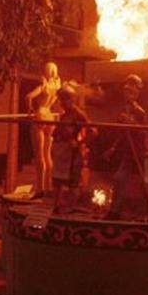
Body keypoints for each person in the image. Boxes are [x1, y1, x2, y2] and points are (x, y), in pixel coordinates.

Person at [104, 74, 148, 220]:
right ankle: (114, 211)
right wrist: (113, 147)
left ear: (137, 93)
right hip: (130, 151)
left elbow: (144, 131)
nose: (128, 95)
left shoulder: (139, 111)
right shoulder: (124, 110)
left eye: (131, 92)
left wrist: (131, 121)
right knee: (119, 179)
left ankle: (147, 212)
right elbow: (122, 133)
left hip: (143, 151)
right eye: (126, 91)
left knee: (145, 182)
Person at [51, 83, 94, 213]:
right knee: (57, 181)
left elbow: (93, 131)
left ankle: (70, 209)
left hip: (72, 155)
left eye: (64, 100)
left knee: (72, 182)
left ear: (71, 99)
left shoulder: (78, 114)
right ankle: (57, 207)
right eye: (61, 100)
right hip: (60, 153)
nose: (62, 103)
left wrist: (79, 143)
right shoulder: (64, 115)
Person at [25, 61, 62, 199]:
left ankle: (40, 188)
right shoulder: (57, 87)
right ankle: (49, 186)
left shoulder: (43, 86)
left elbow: (28, 97)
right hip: (50, 117)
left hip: (40, 116)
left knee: (39, 154)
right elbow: (58, 105)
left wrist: (30, 110)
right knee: (48, 154)